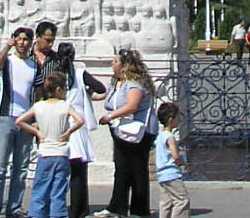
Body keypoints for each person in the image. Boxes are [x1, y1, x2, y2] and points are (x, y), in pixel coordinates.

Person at [95, 47, 158, 218]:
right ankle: (116, 207)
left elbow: (132, 106)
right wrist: (89, 95)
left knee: (137, 169)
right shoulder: (117, 82)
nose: (111, 63)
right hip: (122, 131)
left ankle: (139, 210)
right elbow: (109, 97)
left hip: (139, 132)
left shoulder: (134, 84)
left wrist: (110, 116)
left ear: (124, 66)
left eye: (115, 61)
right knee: (121, 168)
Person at [16, 70, 83, 218]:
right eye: (65, 88)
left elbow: (19, 121)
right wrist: (68, 132)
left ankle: (36, 214)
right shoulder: (65, 106)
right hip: (61, 154)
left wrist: (37, 133)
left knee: (40, 188)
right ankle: (58, 215)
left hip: (45, 153)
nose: (66, 91)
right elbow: (80, 120)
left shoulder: (39, 106)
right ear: (59, 90)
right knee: (58, 190)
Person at [0, 25, 35, 218]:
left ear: (30, 43)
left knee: (21, 168)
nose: (22, 43)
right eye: (19, 39)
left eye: (25, 40)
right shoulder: (8, 61)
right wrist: (6, 47)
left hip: (25, 120)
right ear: (14, 40)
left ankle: (14, 207)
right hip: (6, 117)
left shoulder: (33, 66)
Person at [57, 41, 106, 218]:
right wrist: (86, 91)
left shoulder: (56, 74)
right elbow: (101, 88)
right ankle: (79, 209)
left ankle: (58, 206)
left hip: (59, 121)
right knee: (79, 171)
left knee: (59, 170)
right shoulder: (79, 74)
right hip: (77, 122)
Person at [155, 101, 190, 218]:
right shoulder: (170, 137)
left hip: (161, 175)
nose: (178, 120)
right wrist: (182, 163)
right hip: (172, 174)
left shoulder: (159, 136)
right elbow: (175, 156)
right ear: (171, 119)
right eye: (177, 118)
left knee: (166, 202)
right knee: (182, 200)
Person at [32, 19, 60, 99]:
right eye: (47, 40)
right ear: (37, 36)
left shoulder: (57, 60)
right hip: (27, 106)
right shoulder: (26, 57)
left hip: (49, 107)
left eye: (52, 41)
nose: (50, 44)